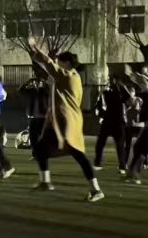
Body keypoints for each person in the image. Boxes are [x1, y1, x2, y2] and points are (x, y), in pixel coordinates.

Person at [27, 46, 104, 201]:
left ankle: (96, 190)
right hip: (65, 120)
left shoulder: (68, 76)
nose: (58, 64)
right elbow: (52, 69)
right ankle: (45, 181)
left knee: (78, 155)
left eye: (60, 62)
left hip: (65, 121)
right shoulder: (74, 76)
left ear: (67, 62)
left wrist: (38, 51)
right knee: (41, 149)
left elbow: (50, 66)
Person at [94, 73, 132, 173]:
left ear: (115, 80)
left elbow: (129, 101)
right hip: (113, 120)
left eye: (110, 79)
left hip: (114, 120)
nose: (108, 80)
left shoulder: (116, 91)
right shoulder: (110, 91)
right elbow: (129, 102)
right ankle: (121, 166)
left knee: (110, 143)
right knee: (114, 144)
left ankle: (100, 163)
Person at [18, 75, 50, 160]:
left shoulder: (45, 91)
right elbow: (20, 91)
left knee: (43, 138)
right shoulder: (31, 91)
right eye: (36, 82)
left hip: (44, 117)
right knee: (33, 138)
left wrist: (44, 82)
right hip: (33, 117)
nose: (37, 83)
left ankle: (44, 154)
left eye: (39, 82)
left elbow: (50, 90)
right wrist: (27, 82)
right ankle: (35, 155)